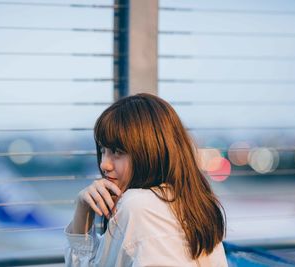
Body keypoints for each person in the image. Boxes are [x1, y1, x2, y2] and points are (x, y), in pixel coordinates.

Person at [64, 93, 228, 266]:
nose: (104, 164)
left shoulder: (139, 206)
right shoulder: (189, 203)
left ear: (150, 152)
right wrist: (84, 208)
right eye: (103, 150)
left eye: (117, 151)